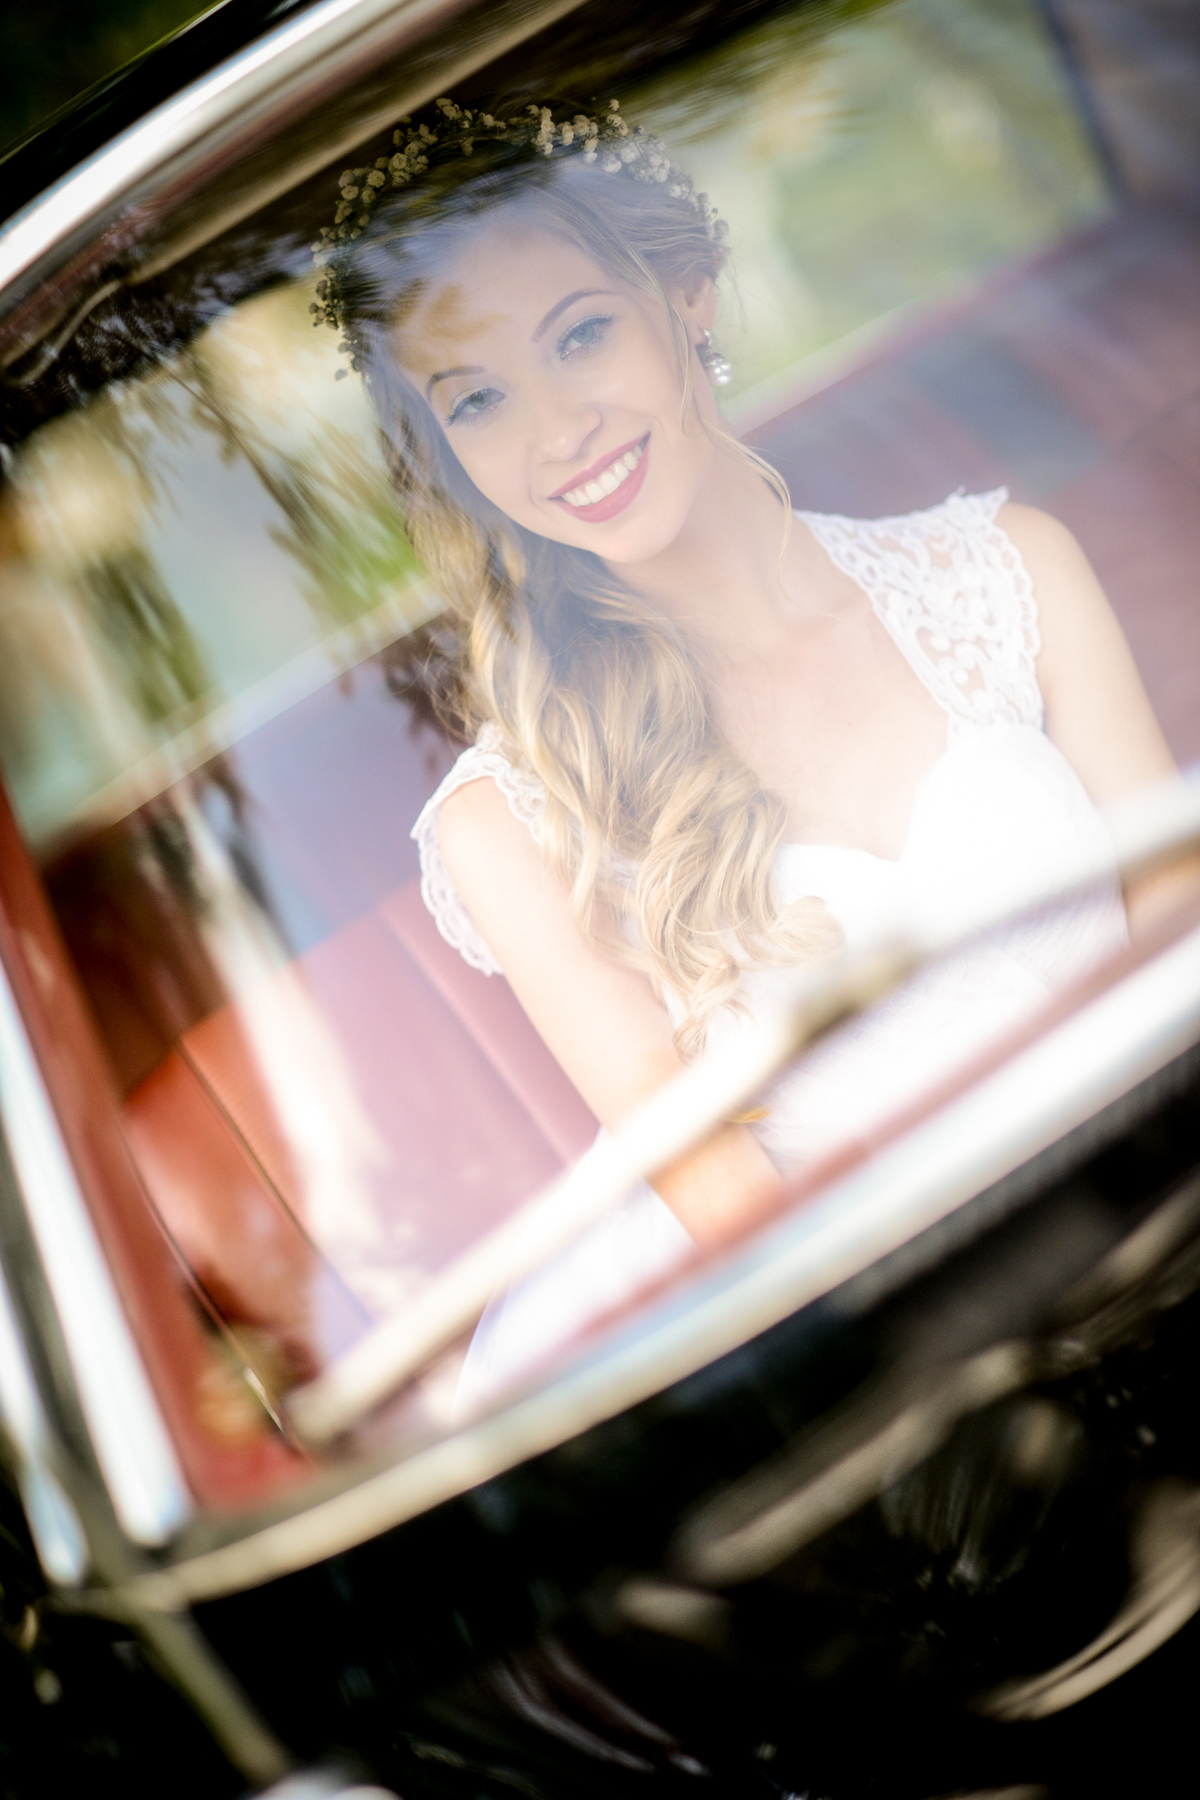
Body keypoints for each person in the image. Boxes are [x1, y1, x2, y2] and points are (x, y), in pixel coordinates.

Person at [316, 98, 1178, 1402]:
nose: (557, 434)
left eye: (582, 335)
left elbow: (1180, 944)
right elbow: (735, 1209)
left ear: (687, 300)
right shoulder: (514, 828)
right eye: (480, 399)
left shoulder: (1016, 573)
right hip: (907, 1359)